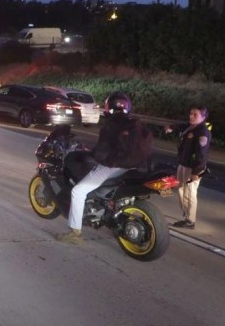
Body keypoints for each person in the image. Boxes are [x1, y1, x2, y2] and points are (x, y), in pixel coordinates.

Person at [56, 91, 153, 245]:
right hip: (134, 167)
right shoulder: (135, 123)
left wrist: (92, 153)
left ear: (109, 107)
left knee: (78, 192)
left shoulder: (112, 124)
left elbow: (101, 151)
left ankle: (75, 233)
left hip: (114, 167)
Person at [165, 105, 211, 230]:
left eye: (195, 114)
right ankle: (186, 216)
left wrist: (196, 172)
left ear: (203, 117)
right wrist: (171, 127)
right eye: (191, 113)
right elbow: (180, 125)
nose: (191, 116)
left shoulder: (202, 132)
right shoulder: (190, 127)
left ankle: (190, 220)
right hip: (183, 164)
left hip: (192, 168)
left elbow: (202, 155)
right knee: (181, 190)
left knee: (190, 193)